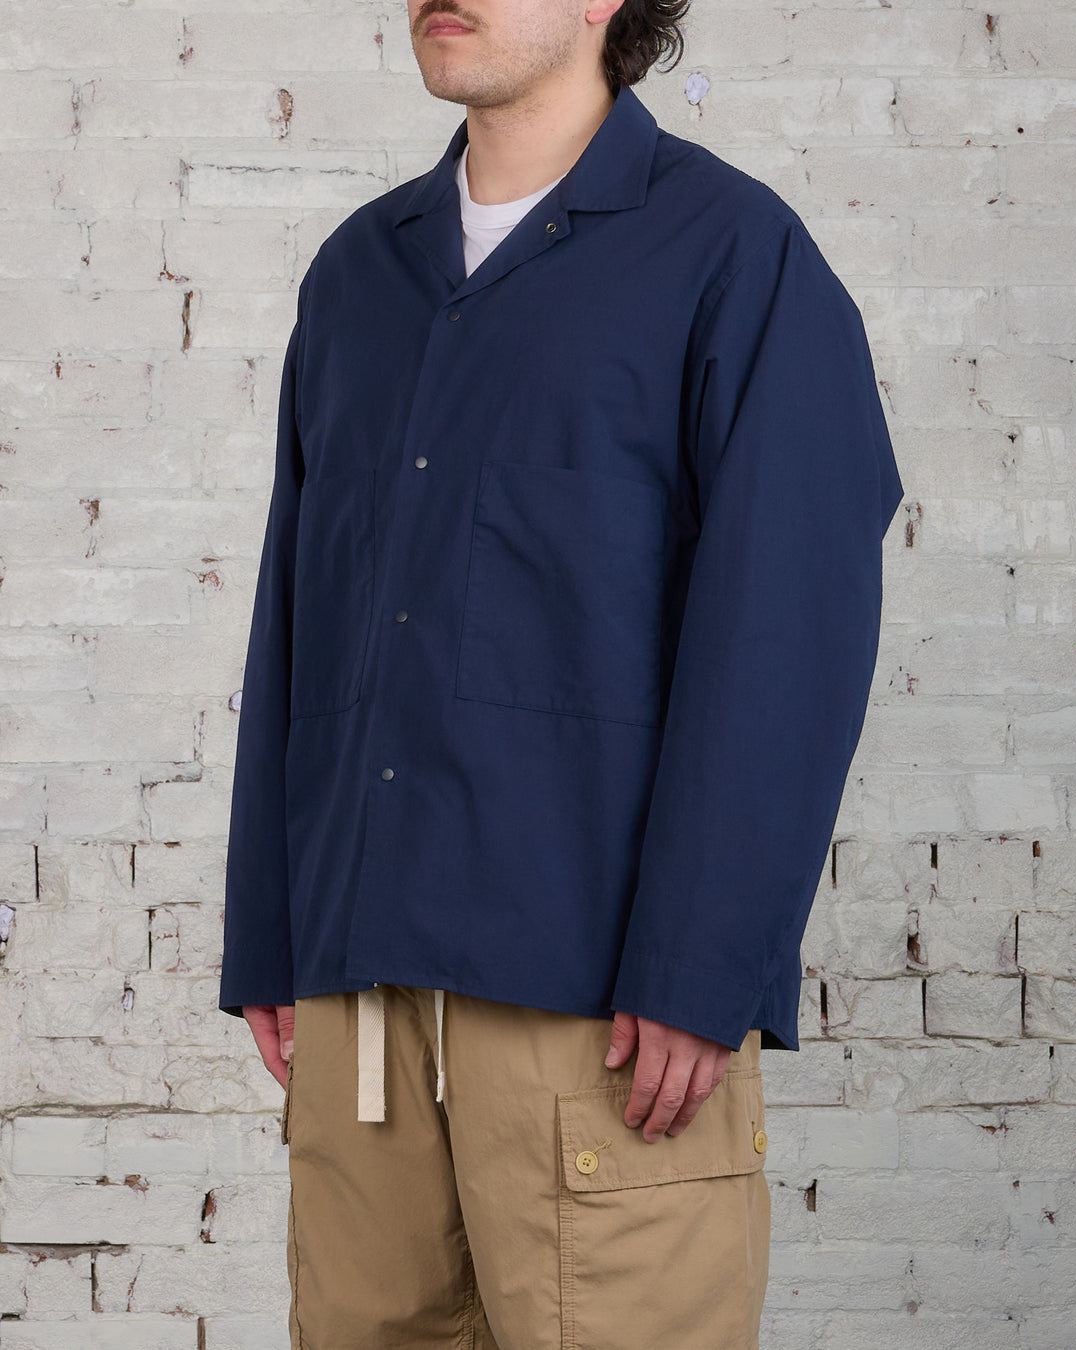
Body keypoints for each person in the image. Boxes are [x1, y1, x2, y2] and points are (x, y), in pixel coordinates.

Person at [218, 1, 906, 1345]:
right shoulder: (357, 276)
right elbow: (295, 616)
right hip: (359, 1010)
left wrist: (704, 968)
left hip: (599, 1015)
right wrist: (271, 938)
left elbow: (789, 634)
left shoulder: (732, 255)